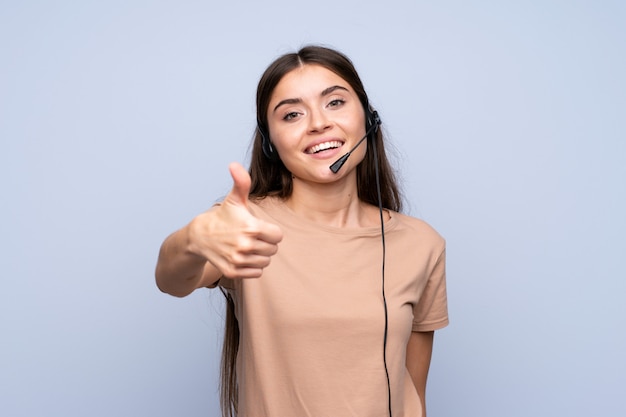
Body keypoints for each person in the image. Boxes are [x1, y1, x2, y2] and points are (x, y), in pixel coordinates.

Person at [155, 45, 448, 417]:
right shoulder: (246, 226)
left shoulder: (422, 243)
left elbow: (413, 396)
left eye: (335, 103)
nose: (317, 123)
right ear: (270, 142)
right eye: (292, 114)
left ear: (368, 117)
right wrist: (194, 239)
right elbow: (170, 279)